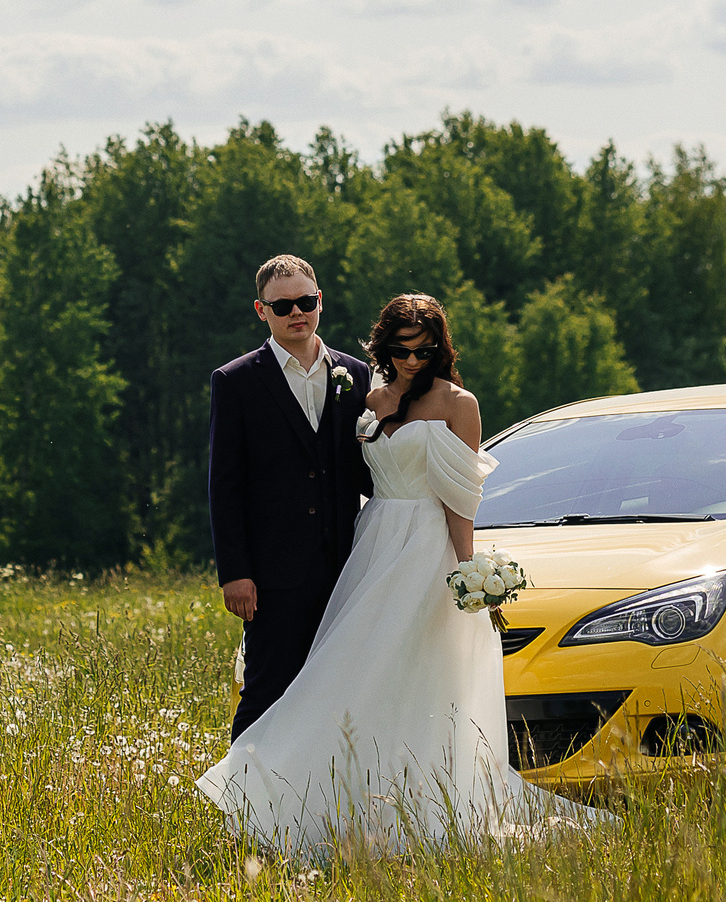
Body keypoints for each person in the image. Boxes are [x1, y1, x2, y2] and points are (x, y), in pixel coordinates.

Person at [197, 291, 602, 855]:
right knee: (347, 672)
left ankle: (422, 804)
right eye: (403, 350)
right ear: (384, 347)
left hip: (425, 550)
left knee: (416, 674)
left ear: (441, 349)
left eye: (425, 350)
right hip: (370, 545)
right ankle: (291, 798)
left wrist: (470, 574)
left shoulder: (459, 403)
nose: (414, 361)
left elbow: (463, 499)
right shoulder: (365, 395)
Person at [204, 255, 375, 737]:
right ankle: (243, 806)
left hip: (347, 565)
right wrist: (235, 573)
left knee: (343, 689)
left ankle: (323, 805)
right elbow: (225, 485)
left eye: (305, 301)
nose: (296, 312)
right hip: (273, 573)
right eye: (283, 306)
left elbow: (368, 470)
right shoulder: (235, 381)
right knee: (266, 690)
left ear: (319, 300)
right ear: (262, 311)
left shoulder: (356, 374)